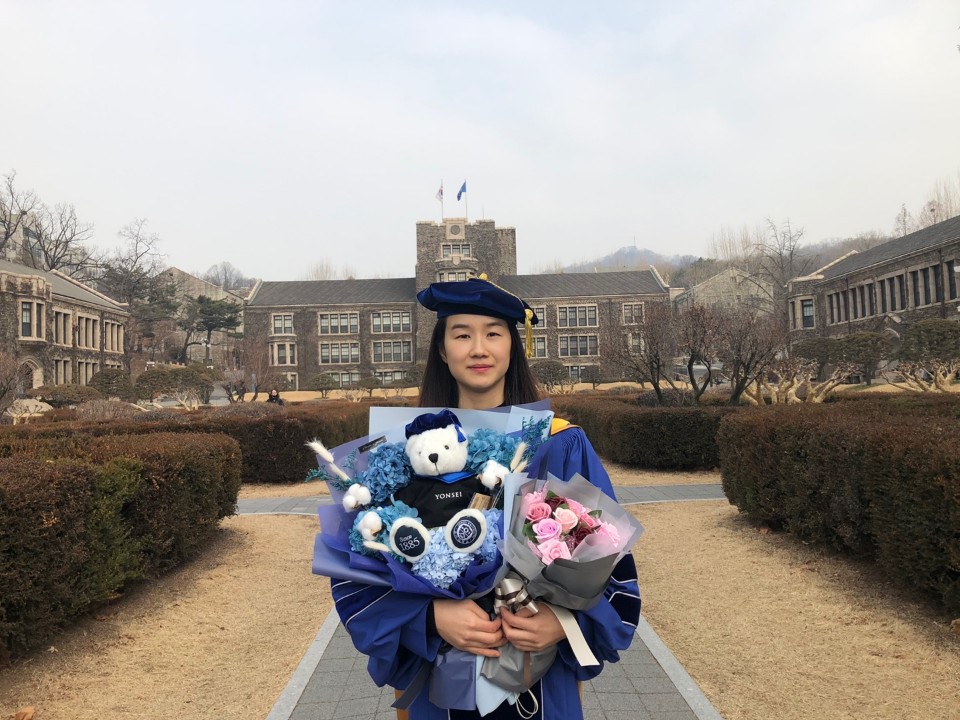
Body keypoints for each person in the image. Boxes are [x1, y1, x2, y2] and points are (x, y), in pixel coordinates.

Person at [331, 276, 640, 720]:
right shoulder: (398, 453)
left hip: (535, 684)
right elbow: (355, 572)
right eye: (462, 334)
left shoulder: (557, 443)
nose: (479, 348)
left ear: (512, 346)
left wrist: (562, 623)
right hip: (438, 681)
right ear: (442, 349)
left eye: (494, 333)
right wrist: (429, 618)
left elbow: (610, 557)